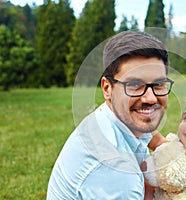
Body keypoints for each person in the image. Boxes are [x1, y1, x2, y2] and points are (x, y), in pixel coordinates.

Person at [46, 31, 173, 199]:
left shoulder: (113, 119)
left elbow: (153, 136)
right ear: (107, 89)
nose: (150, 98)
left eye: (158, 84)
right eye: (134, 84)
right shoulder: (116, 170)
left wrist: (172, 150)